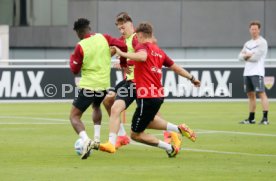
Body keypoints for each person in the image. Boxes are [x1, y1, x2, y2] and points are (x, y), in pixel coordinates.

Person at [100, 22, 200, 158]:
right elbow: (175, 67)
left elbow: (142, 56)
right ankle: (178, 129)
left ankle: (170, 147)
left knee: (136, 134)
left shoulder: (142, 47)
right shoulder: (159, 52)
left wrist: (121, 52)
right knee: (150, 121)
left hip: (146, 96)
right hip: (158, 96)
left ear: (140, 36)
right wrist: (192, 77)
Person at [69, 18, 127, 159]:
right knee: (96, 107)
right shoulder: (104, 37)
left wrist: (73, 59)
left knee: (74, 116)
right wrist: (123, 62)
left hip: (89, 85)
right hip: (104, 85)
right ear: (89, 28)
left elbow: (75, 70)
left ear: (78, 32)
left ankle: (86, 140)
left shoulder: (80, 46)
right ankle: (96, 139)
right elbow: (123, 46)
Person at [102, 12, 138, 149]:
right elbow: (109, 52)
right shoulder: (122, 40)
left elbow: (143, 57)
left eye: (123, 28)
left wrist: (126, 61)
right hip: (129, 80)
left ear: (131, 24)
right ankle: (122, 135)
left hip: (141, 81)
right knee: (107, 100)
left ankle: (171, 132)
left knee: (150, 115)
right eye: (119, 29)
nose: (122, 31)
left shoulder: (137, 39)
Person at [238, 21, 269, 125]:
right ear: (249, 30)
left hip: (257, 72)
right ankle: (251, 119)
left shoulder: (262, 42)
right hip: (247, 72)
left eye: (256, 29)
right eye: (252, 29)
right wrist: (248, 55)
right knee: (250, 95)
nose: (254, 31)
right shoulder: (248, 43)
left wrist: (245, 56)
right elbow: (239, 58)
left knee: (261, 93)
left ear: (259, 30)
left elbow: (256, 58)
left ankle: (265, 118)